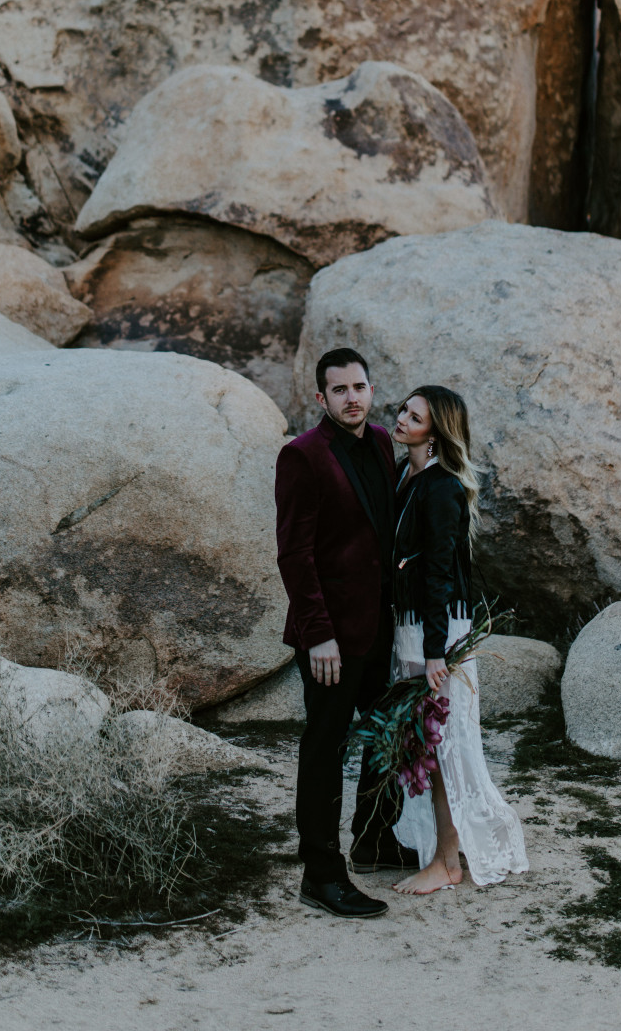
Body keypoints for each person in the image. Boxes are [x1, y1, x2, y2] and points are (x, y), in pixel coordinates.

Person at [274, 347, 418, 920]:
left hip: (382, 626)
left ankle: (374, 838)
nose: (352, 398)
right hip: (332, 637)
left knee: (387, 738)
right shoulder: (302, 457)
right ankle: (321, 873)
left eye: (359, 387)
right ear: (321, 398)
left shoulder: (383, 442)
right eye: (340, 390)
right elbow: (294, 555)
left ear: (371, 389)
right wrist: (318, 636)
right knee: (325, 749)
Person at [390, 385, 529, 894]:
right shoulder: (407, 476)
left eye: (415, 416)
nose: (402, 418)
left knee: (442, 747)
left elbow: (440, 577)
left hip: (439, 632)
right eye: (404, 410)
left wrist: (434, 654)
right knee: (425, 745)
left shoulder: (443, 488)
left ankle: (447, 863)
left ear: (436, 430)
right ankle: (444, 853)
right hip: (413, 628)